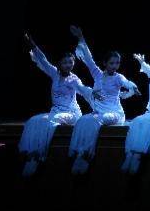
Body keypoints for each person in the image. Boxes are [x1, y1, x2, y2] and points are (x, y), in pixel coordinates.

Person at [19, 32, 97, 177]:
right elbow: (43, 60)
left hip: (71, 113)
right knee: (34, 120)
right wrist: (33, 45)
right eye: (65, 62)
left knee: (50, 121)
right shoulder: (55, 73)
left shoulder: (73, 79)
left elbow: (83, 89)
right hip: (56, 110)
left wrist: (93, 93)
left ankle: (38, 155)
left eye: (70, 62)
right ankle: (30, 153)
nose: (68, 65)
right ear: (59, 64)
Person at [68, 25, 140, 174]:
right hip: (99, 112)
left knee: (95, 120)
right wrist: (81, 37)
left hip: (115, 113)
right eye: (111, 63)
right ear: (105, 63)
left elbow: (127, 83)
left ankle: (86, 155)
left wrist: (134, 87)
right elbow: (89, 59)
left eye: (117, 63)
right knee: (83, 120)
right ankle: (78, 152)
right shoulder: (98, 74)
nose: (115, 66)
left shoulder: (118, 77)